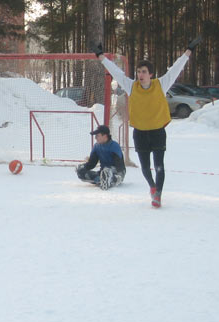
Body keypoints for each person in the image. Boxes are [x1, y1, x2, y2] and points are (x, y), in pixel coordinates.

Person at [94, 37, 200, 207]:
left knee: (159, 165)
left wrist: (189, 50)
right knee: (145, 168)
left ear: (150, 74)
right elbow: (115, 72)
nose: (140, 75)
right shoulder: (131, 86)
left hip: (157, 132)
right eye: (138, 72)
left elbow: (176, 68)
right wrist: (100, 56)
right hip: (140, 133)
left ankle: (158, 194)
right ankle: (152, 187)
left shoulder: (161, 84)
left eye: (143, 72)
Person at [76, 124, 126, 190]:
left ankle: (111, 180)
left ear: (105, 136)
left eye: (97, 136)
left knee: (107, 171)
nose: (95, 138)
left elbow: (119, 166)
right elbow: (92, 164)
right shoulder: (96, 146)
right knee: (82, 172)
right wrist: (83, 168)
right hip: (103, 172)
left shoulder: (114, 146)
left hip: (117, 172)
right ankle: (101, 179)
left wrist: (110, 172)